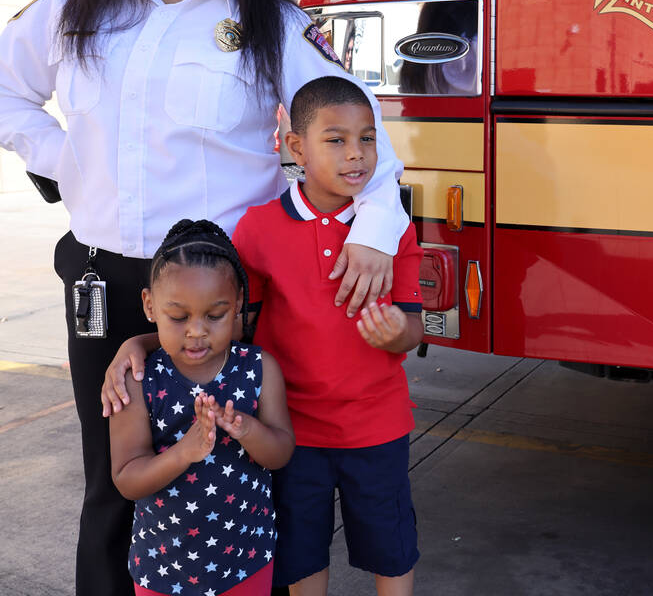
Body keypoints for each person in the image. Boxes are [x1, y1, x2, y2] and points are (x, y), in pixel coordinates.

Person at [0, 0, 407, 596]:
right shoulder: (72, 6)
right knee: (117, 479)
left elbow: (365, 134)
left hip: (222, 300)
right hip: (108, 281)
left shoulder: (268, 24)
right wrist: (68, 163)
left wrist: (378, 234)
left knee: (233, 479)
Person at [107, 77, 425, 594]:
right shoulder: (258, 229)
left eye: (368, 139)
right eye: (336, 139)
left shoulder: (390, 229)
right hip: (292, 429)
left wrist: (395, 334)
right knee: (301, 550)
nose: (357, 154)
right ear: (296, 147)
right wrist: (139, 343)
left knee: (390, 546)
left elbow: (411, 325)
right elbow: (220, 319)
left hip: (377, 425)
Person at [108, 219, 295, 596]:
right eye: (178, 317)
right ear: (150, 305)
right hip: (163, 568)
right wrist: (184, 453)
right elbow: (127, 478)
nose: (197, 331)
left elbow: (281, 453)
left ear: (238, 304)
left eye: (215, 315)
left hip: (246, 559)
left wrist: (248, 430)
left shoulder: (259, 368)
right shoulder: (139, 379)